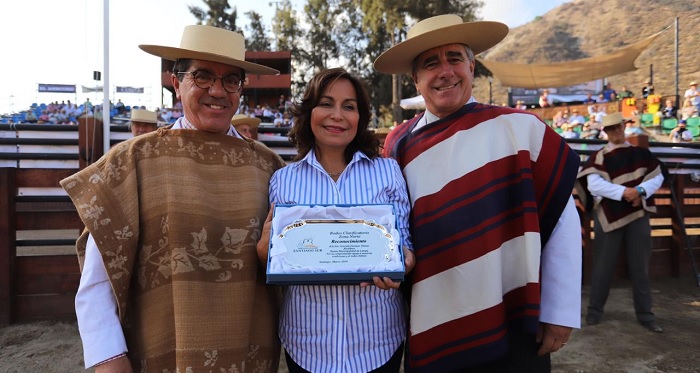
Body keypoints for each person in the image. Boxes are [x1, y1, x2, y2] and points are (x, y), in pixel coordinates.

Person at [60, 25, 284, 372]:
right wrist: (109, 358)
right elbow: (97, 280)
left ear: (241, 88)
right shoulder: (132, 162)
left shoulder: (269, 167)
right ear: (177, 83)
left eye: (231, 80)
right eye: (203, 76)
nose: (217, 90)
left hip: (250, 354)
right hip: (161, 352)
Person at [374, 14, 582, 372]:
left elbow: (562, 220)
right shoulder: (397, 143)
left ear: (471, 66)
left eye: (454, 58)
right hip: (429, 317)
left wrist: (558, 310)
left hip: (512, 315)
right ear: (416, 78)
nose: (445, 71)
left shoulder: (520, 130)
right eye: (430, 63)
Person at [256, 67, 415, 373]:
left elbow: (404, 243)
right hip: (307, 344)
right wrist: (266, 251)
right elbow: (277, 260)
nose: (337, 115)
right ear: (309, 111)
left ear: (361, 117)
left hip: (378, 342)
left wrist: (402, 261)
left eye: (349, 106)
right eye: (326, 103)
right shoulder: (282, 180)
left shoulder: (388, 172)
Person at [576, 111, 665, 333]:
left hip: (638, 214)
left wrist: (640, 191)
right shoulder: (598, 157)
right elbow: (594, 185)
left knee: (640, 268)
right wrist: (628, 192)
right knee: (603, 267)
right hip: (608, 216)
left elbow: (657, 176)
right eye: (610, 128)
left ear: (624, 127)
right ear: (604, 132)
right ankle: (594, 312)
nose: (615, 131)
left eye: (618, 127)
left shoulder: (641, 154)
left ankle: (646, 315)